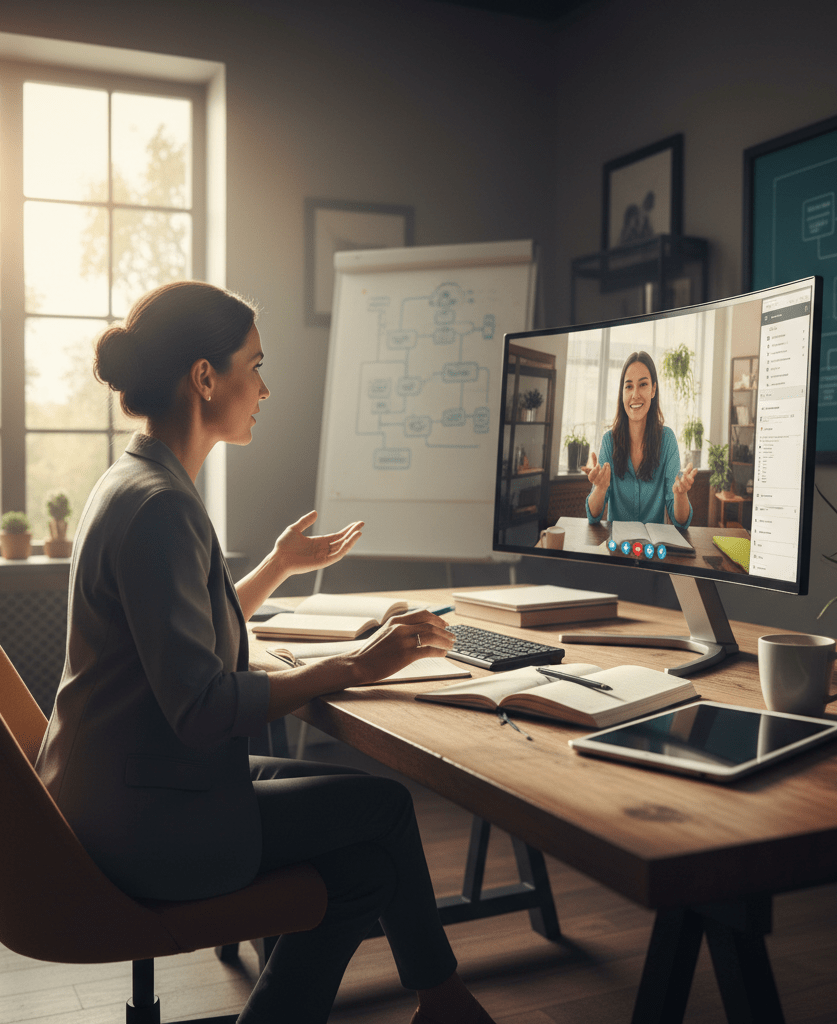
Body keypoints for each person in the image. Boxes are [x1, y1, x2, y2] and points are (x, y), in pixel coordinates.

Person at [34, 281, 496, 1024]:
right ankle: (445, 1003)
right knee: (383, 809)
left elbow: (183, 633)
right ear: (205, 378)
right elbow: (202, 706)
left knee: (366, 863)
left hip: (123, 784)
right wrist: (351, 666)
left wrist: (278, 565)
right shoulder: (160, 507)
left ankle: (441, 1005)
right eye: (255, 364)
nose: (266, 387)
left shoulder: (138, 480)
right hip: (146, 817)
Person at [583, 350, 696, 527]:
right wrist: (600, 487)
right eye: (629, 386)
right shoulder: (608, 441)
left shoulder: (667, 440)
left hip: (653, 550)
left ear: (653, 389)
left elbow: (680, 522)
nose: (635, 394)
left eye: (643, 384)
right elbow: (593, 516)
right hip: (618, 549)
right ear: (622, 393)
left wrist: (680, 495)